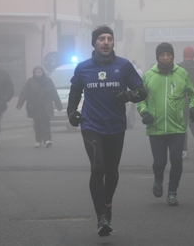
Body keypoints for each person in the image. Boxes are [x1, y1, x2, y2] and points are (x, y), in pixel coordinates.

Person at [67, 25, 146, 237]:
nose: (106, 42)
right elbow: (75, 92)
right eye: (101, 38)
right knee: (97, 168)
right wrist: (72, 112)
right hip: (91, 125)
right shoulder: (83, 68)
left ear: (113, 43)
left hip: (116, 126)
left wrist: (129, 96)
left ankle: (107, 202)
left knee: (111, 172)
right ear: (94, 43)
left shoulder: (123, 65)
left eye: (109, 39)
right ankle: (101, 216)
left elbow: (141, 91)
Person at [137, 42, 194, 206]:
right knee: (160, 162)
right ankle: (158, 179)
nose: (165, 58)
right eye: (162, 55)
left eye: (168, 55)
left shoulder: (182, 74)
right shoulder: (149, 75)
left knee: (177, 161)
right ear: (157, 57)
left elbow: (193, 94)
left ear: (173, 56)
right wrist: (144, 113)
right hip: (155, 128)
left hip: (177, 127)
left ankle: (172, 192)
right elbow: (140, 99)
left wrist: (193, 108)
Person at [16, 66, 63, 147]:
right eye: (36, 72)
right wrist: (20, 104)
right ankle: (38, 141)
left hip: (46, 106)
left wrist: (59, 106)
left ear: (42, 72)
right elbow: (24, 93)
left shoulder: (48, 81)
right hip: (34, 107)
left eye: (39, 72)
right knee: (37, 124)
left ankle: (47, 140)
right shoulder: (30, 81)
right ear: (34, 73)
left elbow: (54, 93)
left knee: (46, 123)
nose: (38, 74)